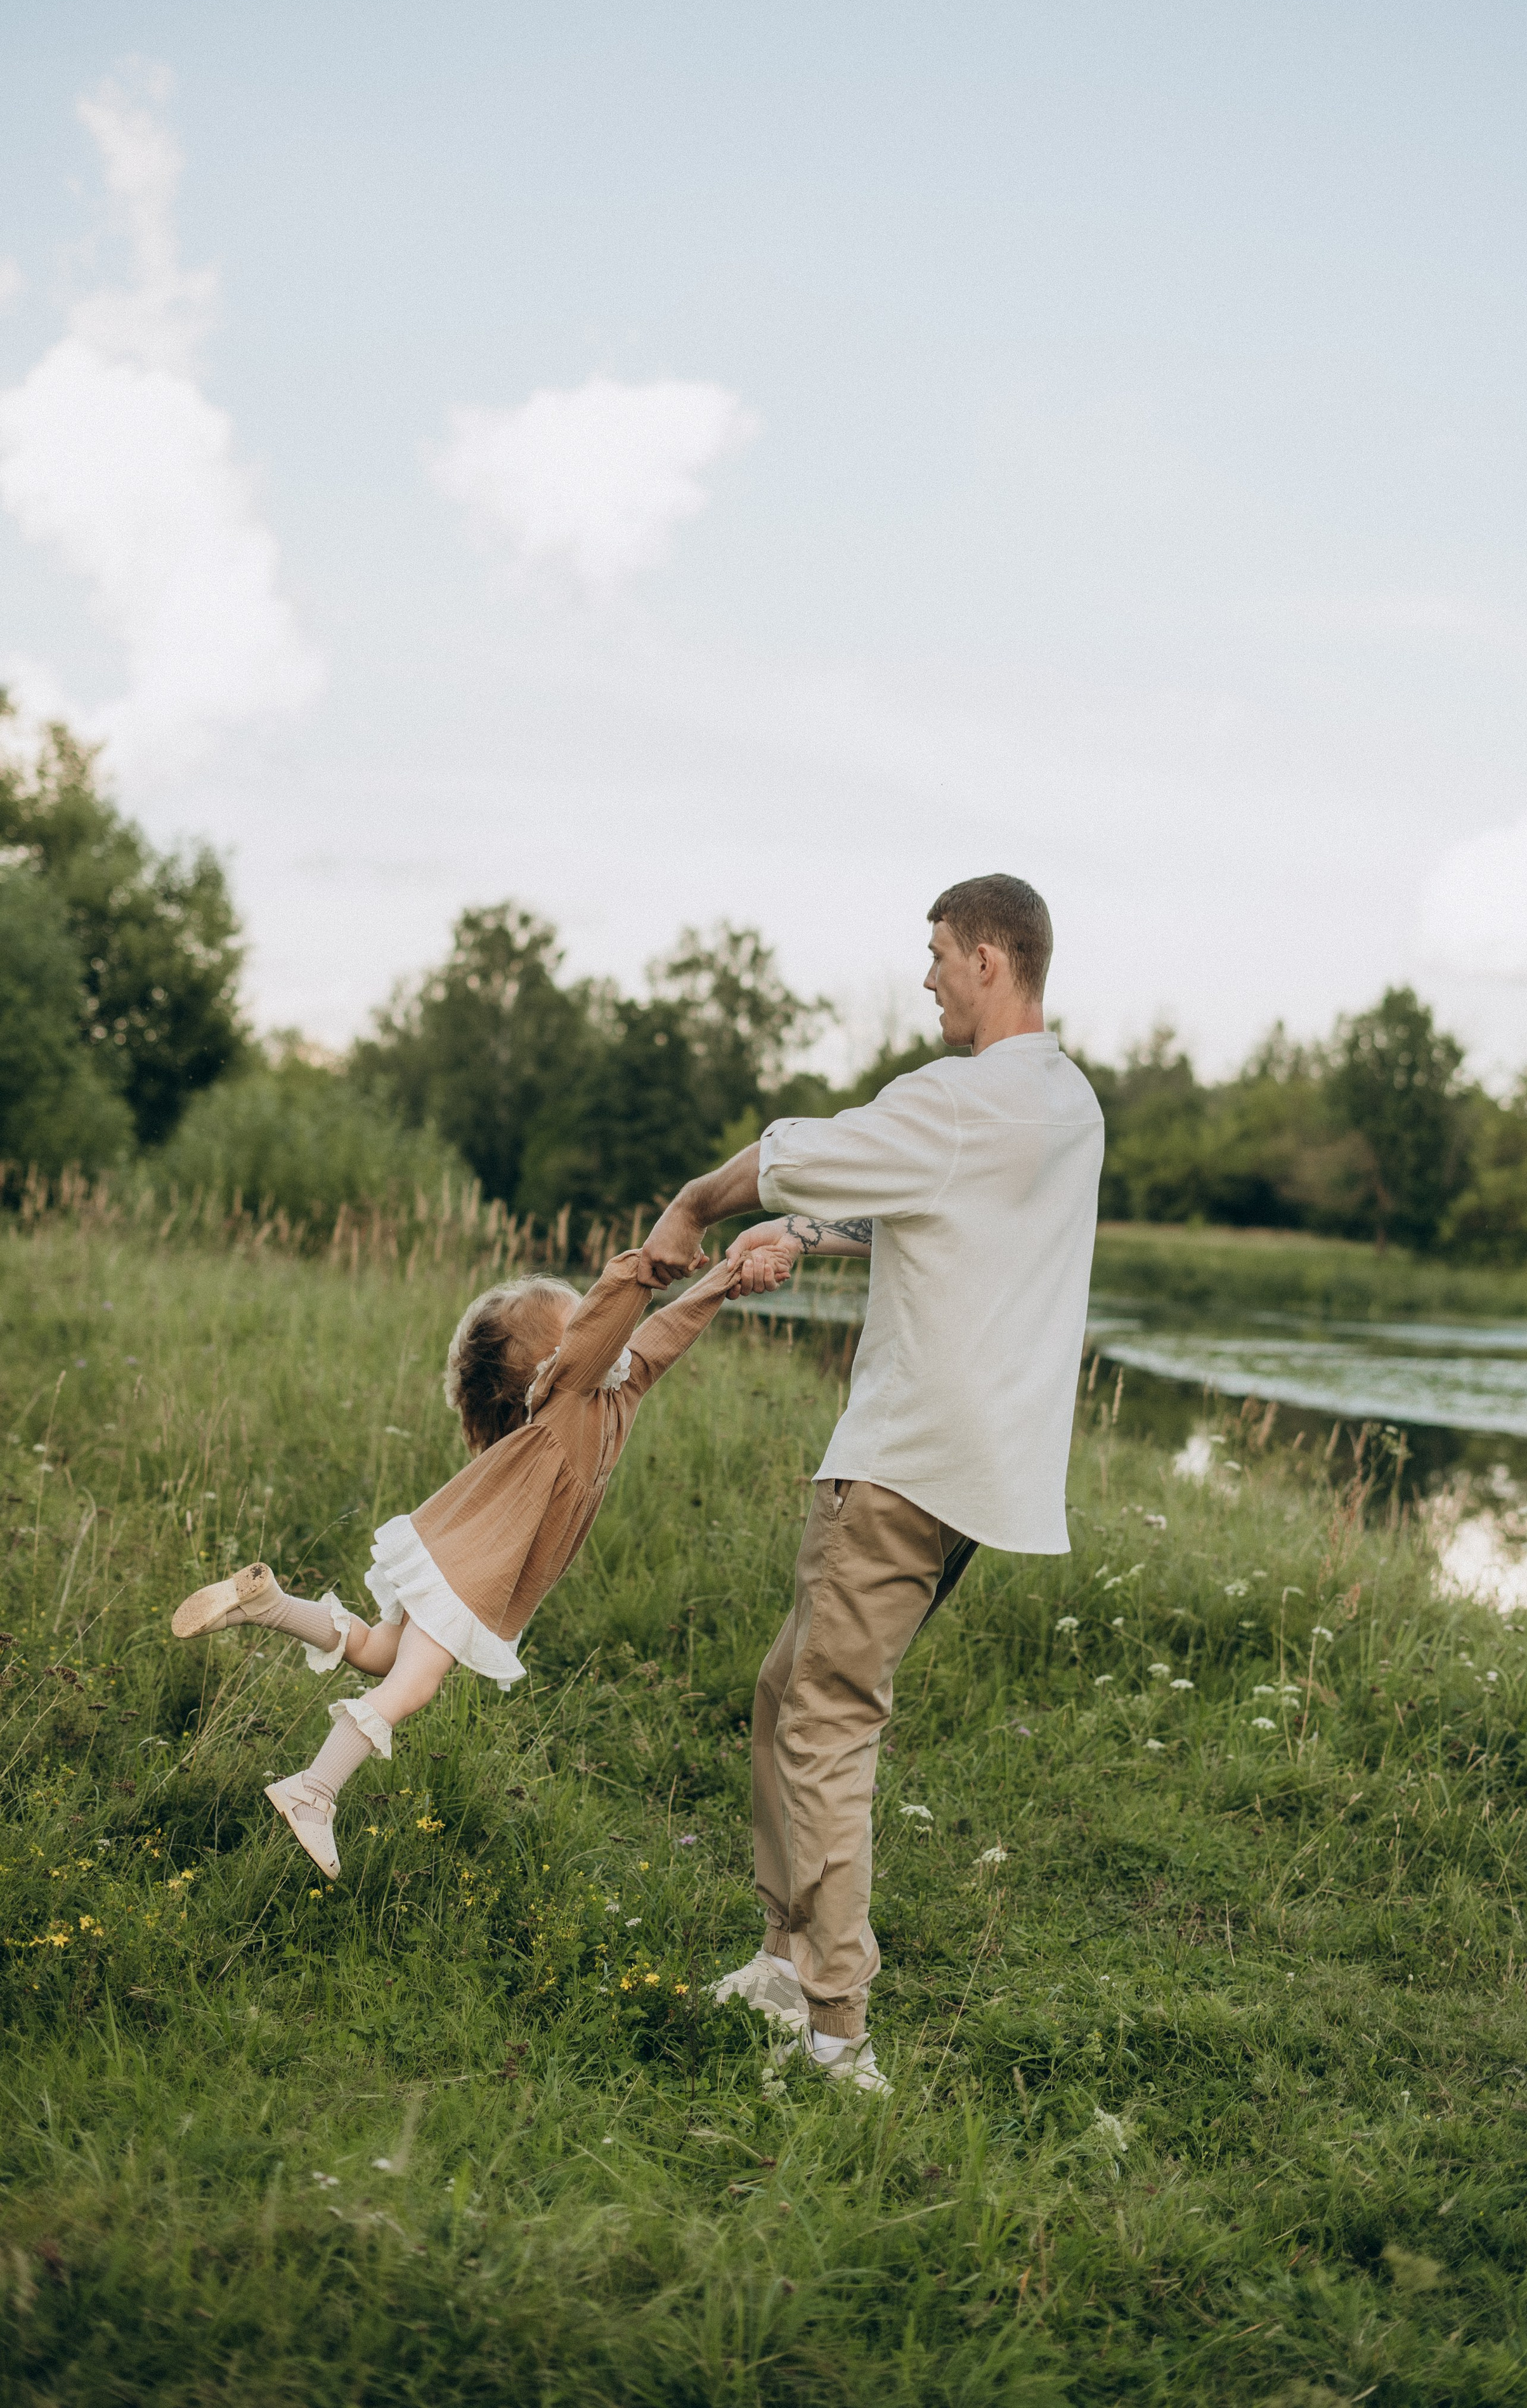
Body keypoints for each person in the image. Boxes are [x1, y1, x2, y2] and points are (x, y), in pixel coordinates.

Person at [639, 875, 1104, 2093]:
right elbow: (942, 1211)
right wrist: (812, 1237)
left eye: (941, 953)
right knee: (787, 1685)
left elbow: (800, 1152)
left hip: (902, 1465)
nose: (931, 977)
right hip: (983, 1476)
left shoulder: (956, 1098)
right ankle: (785, 1956)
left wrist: (699, 1206)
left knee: (825, 1722)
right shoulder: (1065, 1104)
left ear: (994, 960)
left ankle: (838, 2031)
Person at [170, 1242, 788, 1877]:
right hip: (471, 1567)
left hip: (460, 1551)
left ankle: (267, 1604)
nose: (609, 1339)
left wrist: (723, 1280)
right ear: (556, 1358)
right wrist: (649, 1265)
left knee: (381, 1654)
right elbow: (614, 1317)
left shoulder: (619, 1391)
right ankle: (313, 1791)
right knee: (410, 1685)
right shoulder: (570, 1390)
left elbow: (663, 1332)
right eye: (582, 1328)